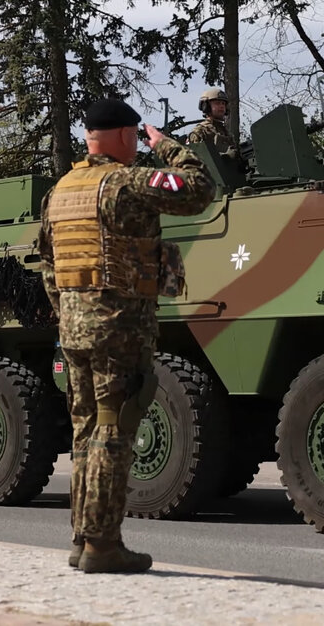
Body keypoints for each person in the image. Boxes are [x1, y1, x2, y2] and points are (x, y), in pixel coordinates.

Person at [38, 98, 215, 573]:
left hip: (74, 330)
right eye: (136, 137)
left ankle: (82, 538)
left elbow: (47, 265)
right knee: (114, 429)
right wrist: (170, 148)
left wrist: (69, 313)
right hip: (119, 327)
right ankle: (102, 544)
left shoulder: (61, 190)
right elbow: (200, 190)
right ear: (122, 135)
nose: (138, 145)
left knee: (86, 431)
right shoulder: (125, 182)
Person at [186, 87, 240, 164]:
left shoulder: (225, 132)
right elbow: (195, 158)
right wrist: (224, 157)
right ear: (206, 106)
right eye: (217, 103)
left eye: (223, 104)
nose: (222, 106)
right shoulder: (200, 131)